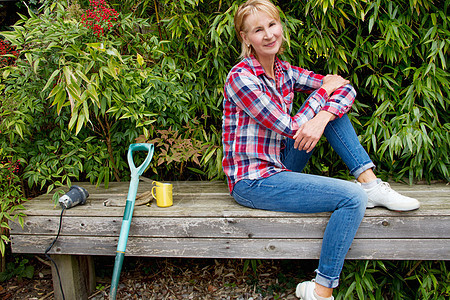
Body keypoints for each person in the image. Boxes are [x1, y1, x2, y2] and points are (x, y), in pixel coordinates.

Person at [221, 0, 420, 299]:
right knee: (350, 197)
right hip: (253, 181)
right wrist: (322, 98)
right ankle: (321, 290)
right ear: (245, 38)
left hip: (280, 163)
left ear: (280, 26)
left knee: (330, 112)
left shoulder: (284, 71)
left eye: (272, 25)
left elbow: (343, 86)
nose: (268, 34)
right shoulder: (241, 78)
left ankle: (371, 183)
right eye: (258, 30)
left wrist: (324, 115)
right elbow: (289, 126)